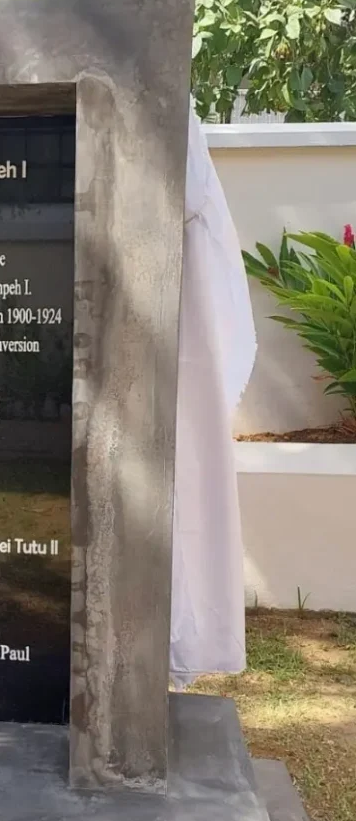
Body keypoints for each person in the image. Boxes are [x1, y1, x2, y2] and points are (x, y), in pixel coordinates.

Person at [170, 103, 258, 686]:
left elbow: (183, 192)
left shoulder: (177, 118)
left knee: (188, 481)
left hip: (181, 314)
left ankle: (181, 636)